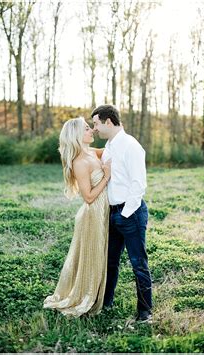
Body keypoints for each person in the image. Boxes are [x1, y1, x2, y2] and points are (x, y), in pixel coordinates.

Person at [44, 117, 111, 317]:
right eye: (87, 129)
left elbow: (111, 151)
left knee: (98, 256)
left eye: (91, 128)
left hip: (102, 212)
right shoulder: (79, 162)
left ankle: (96, 291)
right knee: (90, 257)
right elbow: (89, 197)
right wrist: (106, 177)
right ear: (76, 135)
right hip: (92, 214)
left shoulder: (91, 152)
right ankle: (83, 296)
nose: (92, 131)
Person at [91, 104, 152, 322]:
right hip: (112, 212)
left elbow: (139, 184)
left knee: (138, 262)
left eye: (96, 123)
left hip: (131, 213)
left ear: (108, 121)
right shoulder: (109, 147)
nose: (95, 128)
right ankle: (106, 302)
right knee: (110, 261)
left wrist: (125, 213)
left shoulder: (130, 146)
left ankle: (145, 311)